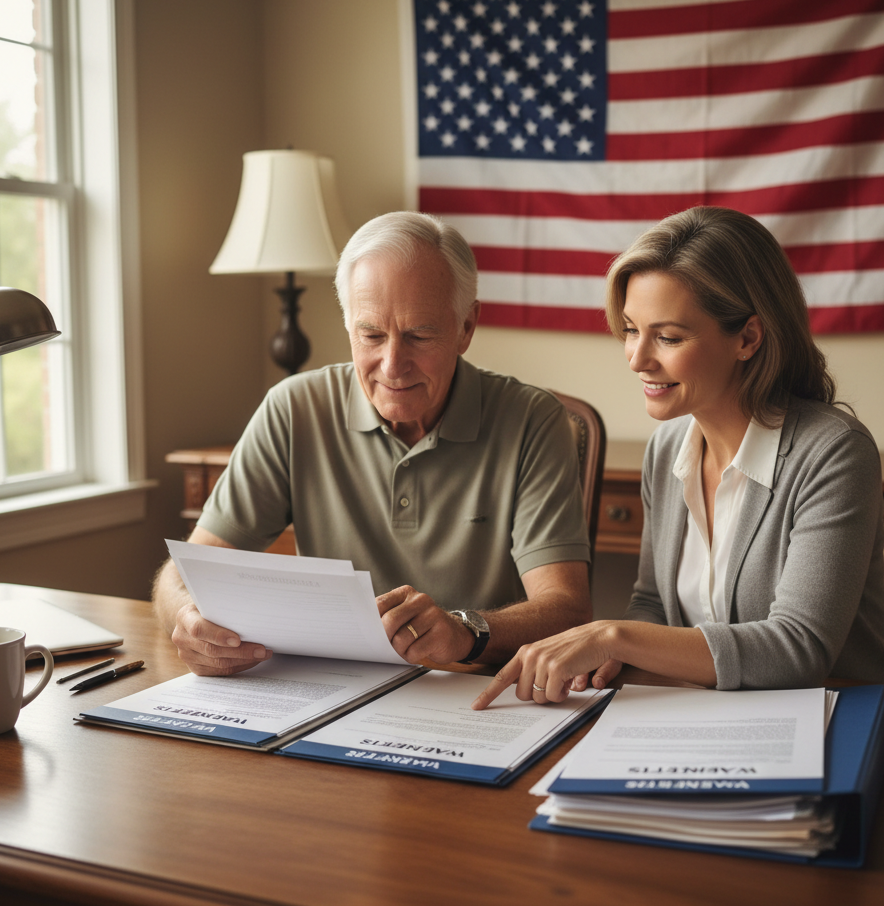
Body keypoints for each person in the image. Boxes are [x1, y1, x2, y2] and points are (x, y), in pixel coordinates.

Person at [473, 206, 884, 710]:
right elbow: (653, 604)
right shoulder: (667, 446)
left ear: (748, 338)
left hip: (836, 719)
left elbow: (800, 648)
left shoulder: (833, 451)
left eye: (669, 337)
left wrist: (613, 638)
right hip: (706, 715)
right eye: (632, 329)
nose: (636, 358)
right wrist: (602, 661)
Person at [153, 211, 592, 675]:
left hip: (473, 691)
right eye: (371, 335)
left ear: (466, 327)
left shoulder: (532, 419)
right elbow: (184, 572)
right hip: (328, 686)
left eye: (419, 335)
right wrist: (187, 617)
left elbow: (567, 609)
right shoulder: (293, 407)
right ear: (348, 328)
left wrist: (466, 631)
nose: (392, 364)